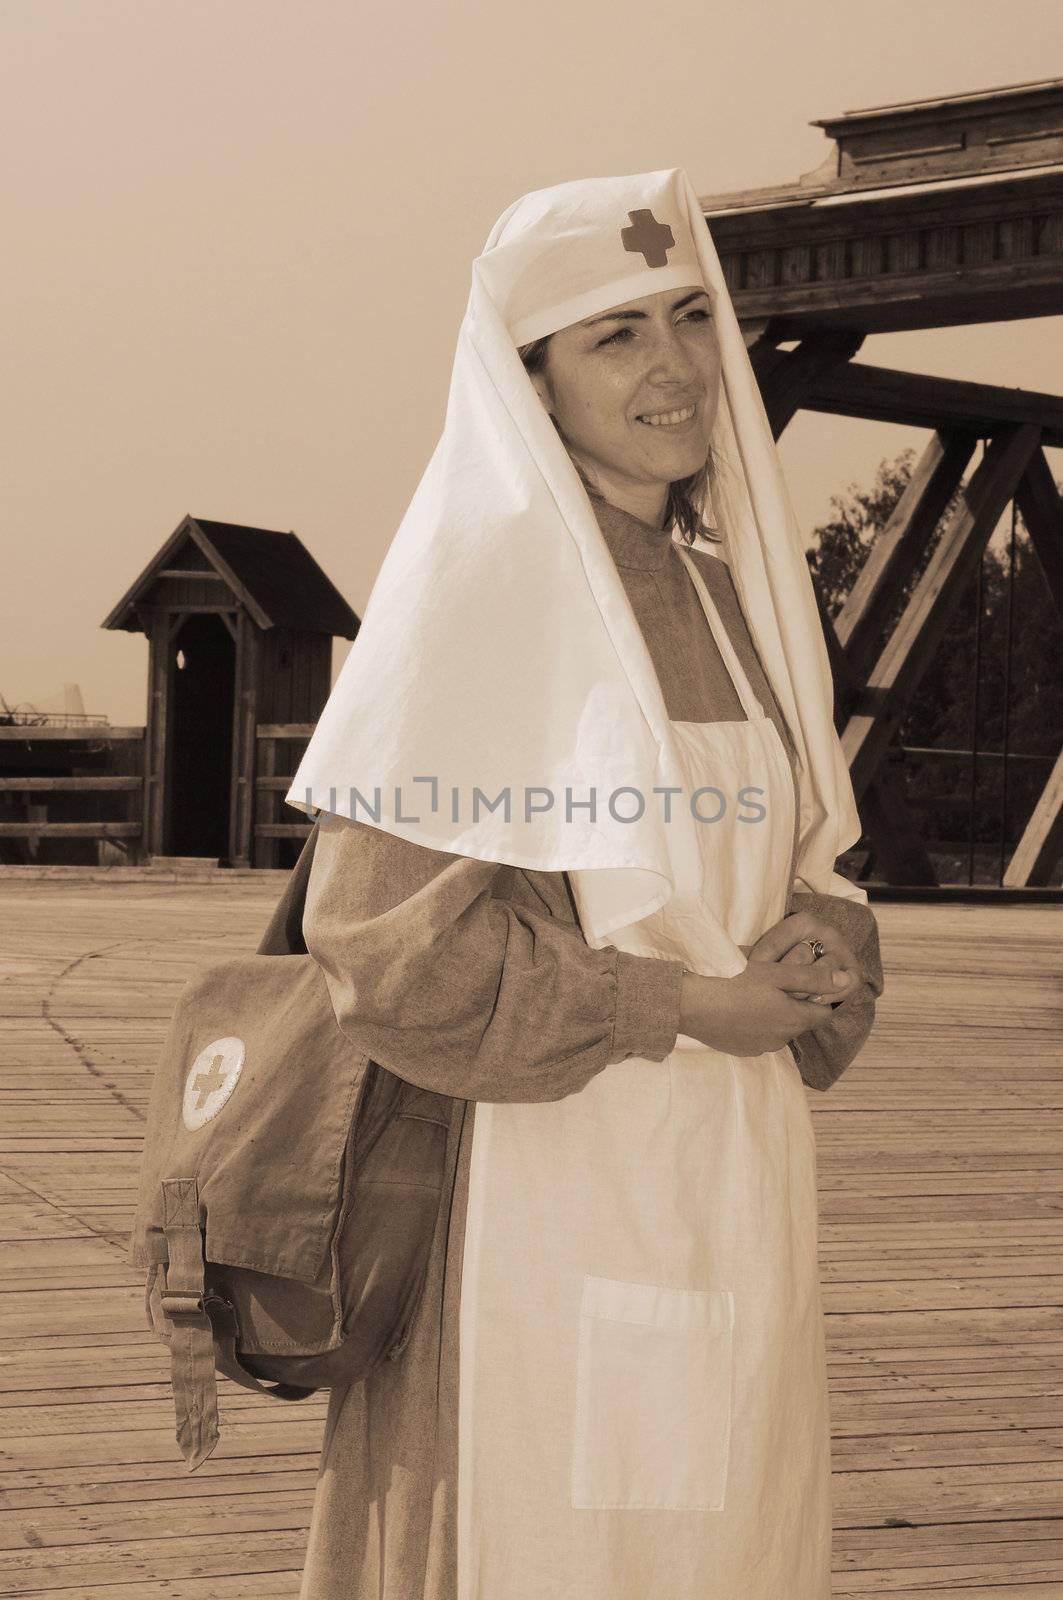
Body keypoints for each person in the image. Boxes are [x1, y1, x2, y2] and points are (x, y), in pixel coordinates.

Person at [283, 168, 884, 1600]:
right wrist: (680, 1001)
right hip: (532, 1198)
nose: (674, 366)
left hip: (729, 1185)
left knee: (726, 1539)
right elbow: (378, 948)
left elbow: (813, 860)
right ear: (532, 381)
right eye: (615, 334)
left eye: (688, 316)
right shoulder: (481, 605)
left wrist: (822, 952)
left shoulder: (736, 599)